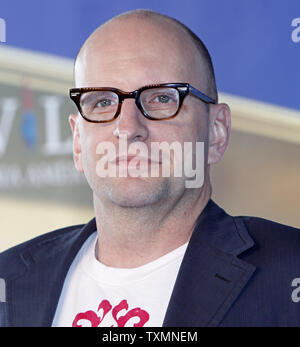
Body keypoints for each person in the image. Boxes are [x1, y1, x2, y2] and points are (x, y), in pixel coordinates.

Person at [0, 9, 300, 327]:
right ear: (77, 142)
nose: (128, 128)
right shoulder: (8, 280)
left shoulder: (289, 273)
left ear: (216, 131)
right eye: (102, 102)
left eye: (160, 98)